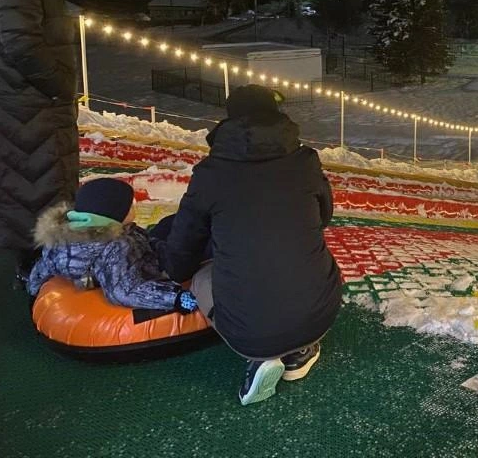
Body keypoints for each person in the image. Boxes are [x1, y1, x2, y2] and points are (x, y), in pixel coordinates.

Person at [156, 85, 342, 406]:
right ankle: (301, 351)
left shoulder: (211, 174)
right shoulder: (306, 161)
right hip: (320, 312)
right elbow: (323, 216)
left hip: (251, 333)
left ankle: (262, 356)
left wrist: (173, 269)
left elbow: (184, 248)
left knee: (203, 278)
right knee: (307, 260)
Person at [0, 0, 78, 282]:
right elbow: (21, 43)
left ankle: (37, 263)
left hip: (26, 102)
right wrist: (58, 83)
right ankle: (36, 269)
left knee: (31, 183)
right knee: (36, 184)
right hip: (30, 105)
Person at [27, 178, 197, 313]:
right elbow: (124, 291)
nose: (134, 207)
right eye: (131, 205)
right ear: (115, 215)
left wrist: (33, 289)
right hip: (151, 263)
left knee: (171, 223)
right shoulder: (116, 248)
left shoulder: (62, 238)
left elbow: (43, 266)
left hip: (144, 248)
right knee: (193, 237)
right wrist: (175, 298)